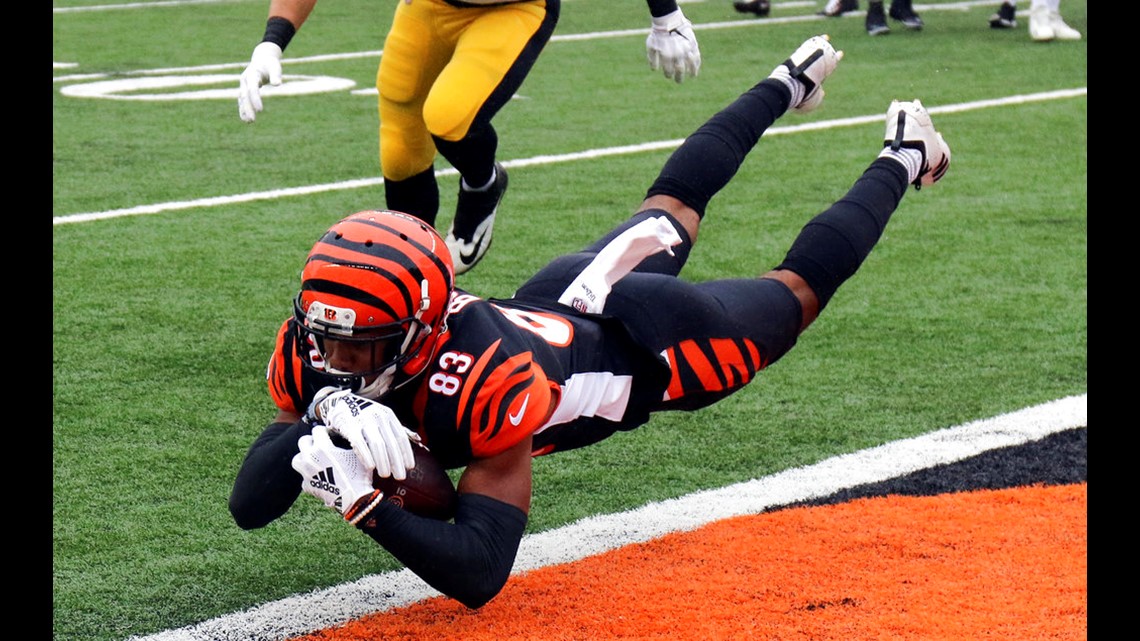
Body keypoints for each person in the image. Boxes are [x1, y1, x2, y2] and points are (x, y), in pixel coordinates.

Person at [229, 34, 952, 609]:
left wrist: (362, 502)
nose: (336, 354)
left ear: (423, 325)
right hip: (559, 299)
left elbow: (480, 569)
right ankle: (790, 80)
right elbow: (249, 504)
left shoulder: (486, 378)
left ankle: (906, 150)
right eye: (329, 336)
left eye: (361, 345)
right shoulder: (318, 348)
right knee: (671, 202)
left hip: (650, 344)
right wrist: (319, 412)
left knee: (793, 294)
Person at [236, 0, 702, 276]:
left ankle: (482, 183)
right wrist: (271, 41)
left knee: (450, 115)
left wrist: (665, 13)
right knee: (400, 144)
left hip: (512, 8)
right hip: (429, 7)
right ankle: (413, 284)